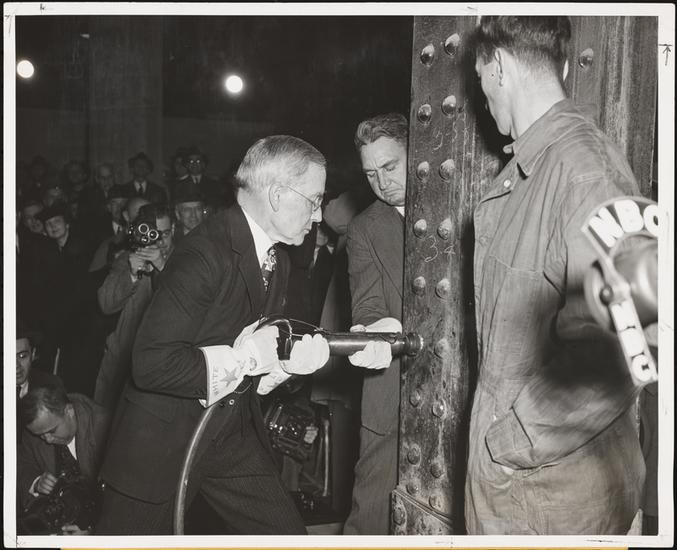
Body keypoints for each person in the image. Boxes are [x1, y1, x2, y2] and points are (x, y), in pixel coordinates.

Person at [95, 135, 331, 535]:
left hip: (229, 433)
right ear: (277, 196)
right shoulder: (205, 252)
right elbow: (151, 363)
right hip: (163, 444)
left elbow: (252, 357)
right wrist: (247, 359)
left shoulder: (278, 260)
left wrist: (286, 367)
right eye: (315, 200)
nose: (320, 215)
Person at [465, 16, 644, 535]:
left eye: (479, 80)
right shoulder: (539, 169)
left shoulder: (583, 172)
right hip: (532, 488)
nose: (484, 100)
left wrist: (510, 439)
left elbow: (629, 344)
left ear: (498, 67)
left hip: (550, 499)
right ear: (561, 66)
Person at [342, 113, 408, 535]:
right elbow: (366, 307)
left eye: (390, 166)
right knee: (369, 515)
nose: (382, 183)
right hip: (391, 387)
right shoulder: (364, 228)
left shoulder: (469, 203)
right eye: (371, 174)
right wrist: (375, 327)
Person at [94, 203, 176, 409]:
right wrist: (131, 274)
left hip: (165, 363)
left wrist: (162, 266)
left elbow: (187, 302)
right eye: (152, 234)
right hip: (123, 363)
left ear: (174, 230)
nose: (159, 241)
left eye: (164, 234)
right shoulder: (127, 259)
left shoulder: (185, 259)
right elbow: (106, 304)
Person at [17, 382, 110, 534]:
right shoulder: (37, 427)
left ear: (69, 411)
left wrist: (93, 533)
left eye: (52, 431)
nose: (47, 439)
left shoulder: (107, 427)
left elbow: (122, 501)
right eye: (40, 435)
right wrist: (36, 482)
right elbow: (21, 463)